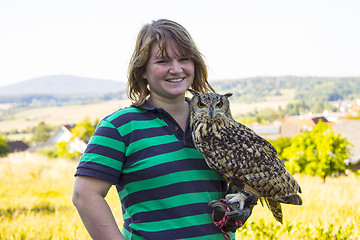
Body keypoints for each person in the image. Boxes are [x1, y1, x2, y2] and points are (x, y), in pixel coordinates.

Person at [72, 19, 254, 240]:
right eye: (162, 61)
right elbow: (85, 195)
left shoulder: (218, 125)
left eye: (184, 59)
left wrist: (241, 198)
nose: (176, 69)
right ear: (143, 71)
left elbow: (241, 180)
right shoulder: (120, 127)